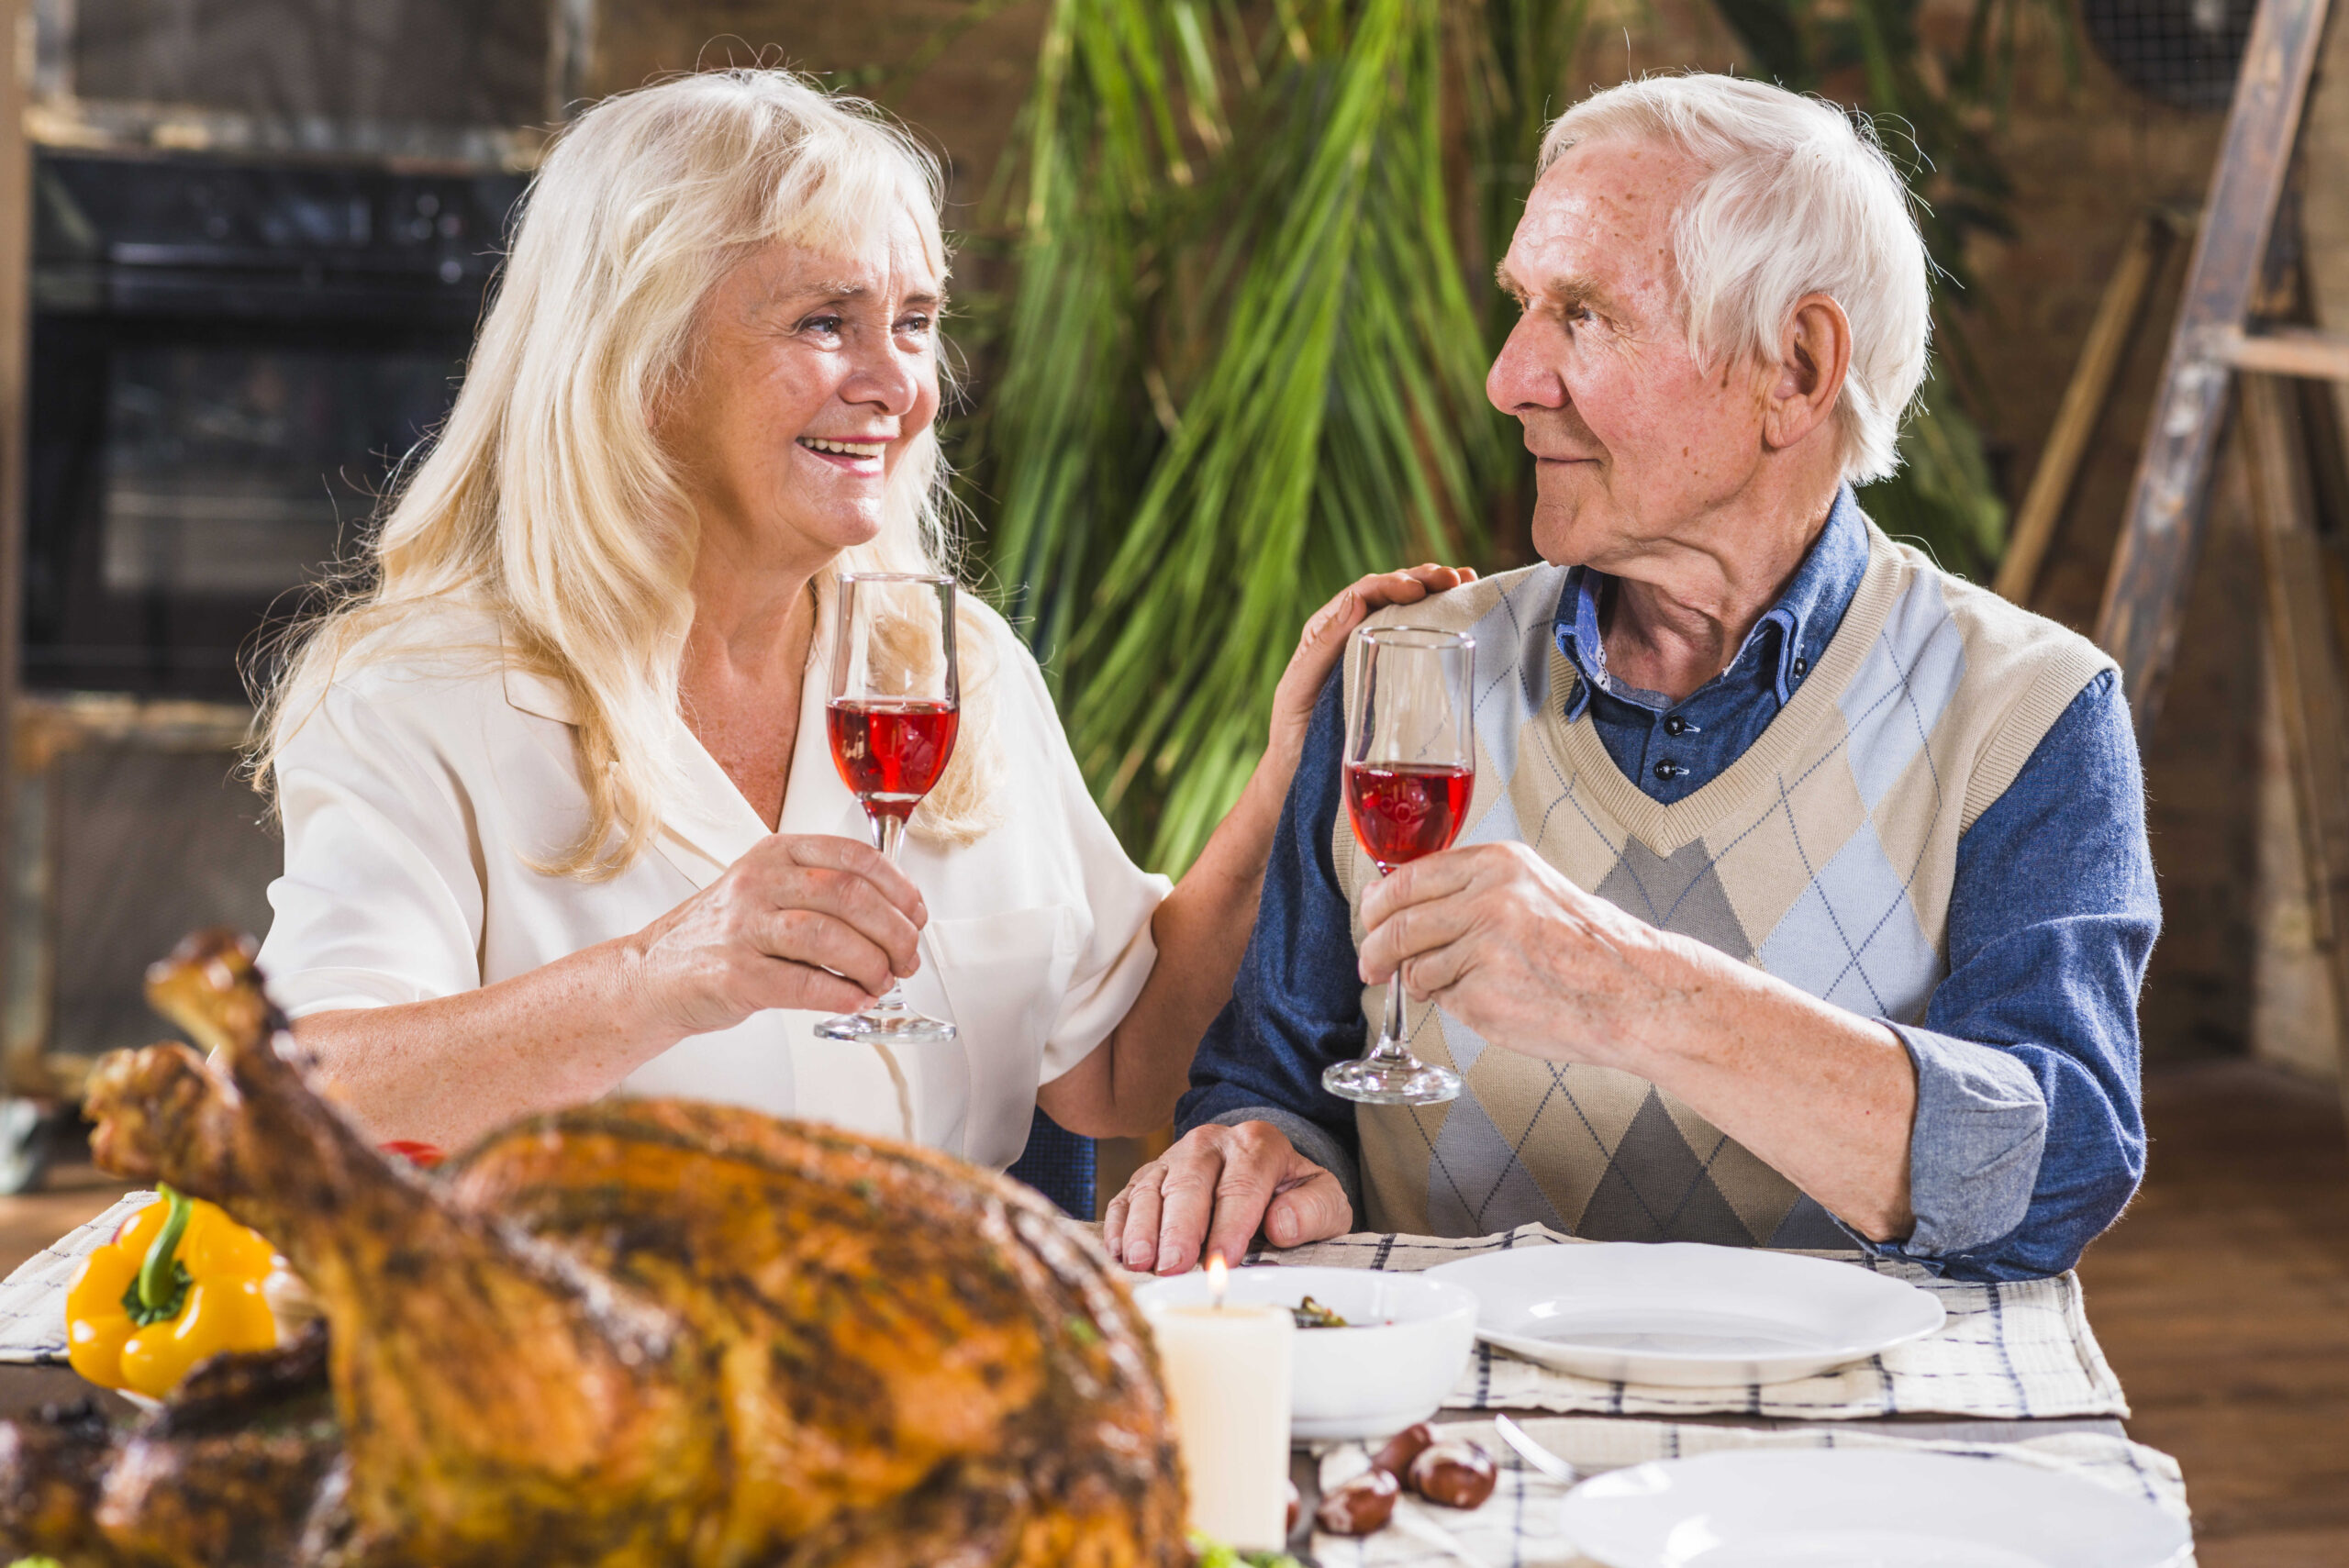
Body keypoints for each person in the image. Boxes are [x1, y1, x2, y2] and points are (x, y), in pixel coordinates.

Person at [250, 69, 1467, 1171]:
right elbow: (312, 1095)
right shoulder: (418, 693)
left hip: (934, 1362)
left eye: (918, 322)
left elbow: (1118, 1070)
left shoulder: (951, 673)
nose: (898, 384)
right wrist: (661, 974)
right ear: (641, 358)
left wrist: (1283, 787)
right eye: (825, 322)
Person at [1105, 73, 2156, 1284]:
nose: (1511, 378)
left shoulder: (2026, 712)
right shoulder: (1400, 676)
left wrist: (1633, 994)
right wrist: (1256, 1159)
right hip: (1460, 1426)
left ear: (1797, 370)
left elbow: (2059, 1159)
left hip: (1850, 1444)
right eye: (1523, 308)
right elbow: (1272, 1089)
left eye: (1586, 316)